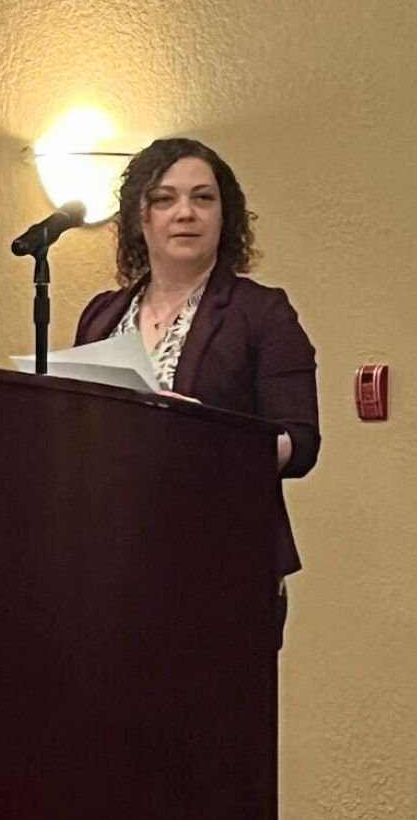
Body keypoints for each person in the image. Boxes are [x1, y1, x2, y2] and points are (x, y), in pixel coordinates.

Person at [74, 137, 321, 644]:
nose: (184, 212)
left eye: (202, 198)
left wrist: (210, 436)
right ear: (139, 219)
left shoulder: (262, 312)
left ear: (224, 215)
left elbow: (302, 442)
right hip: (111, 554)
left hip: (222, 556)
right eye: (164, 199)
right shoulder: (102, 314)